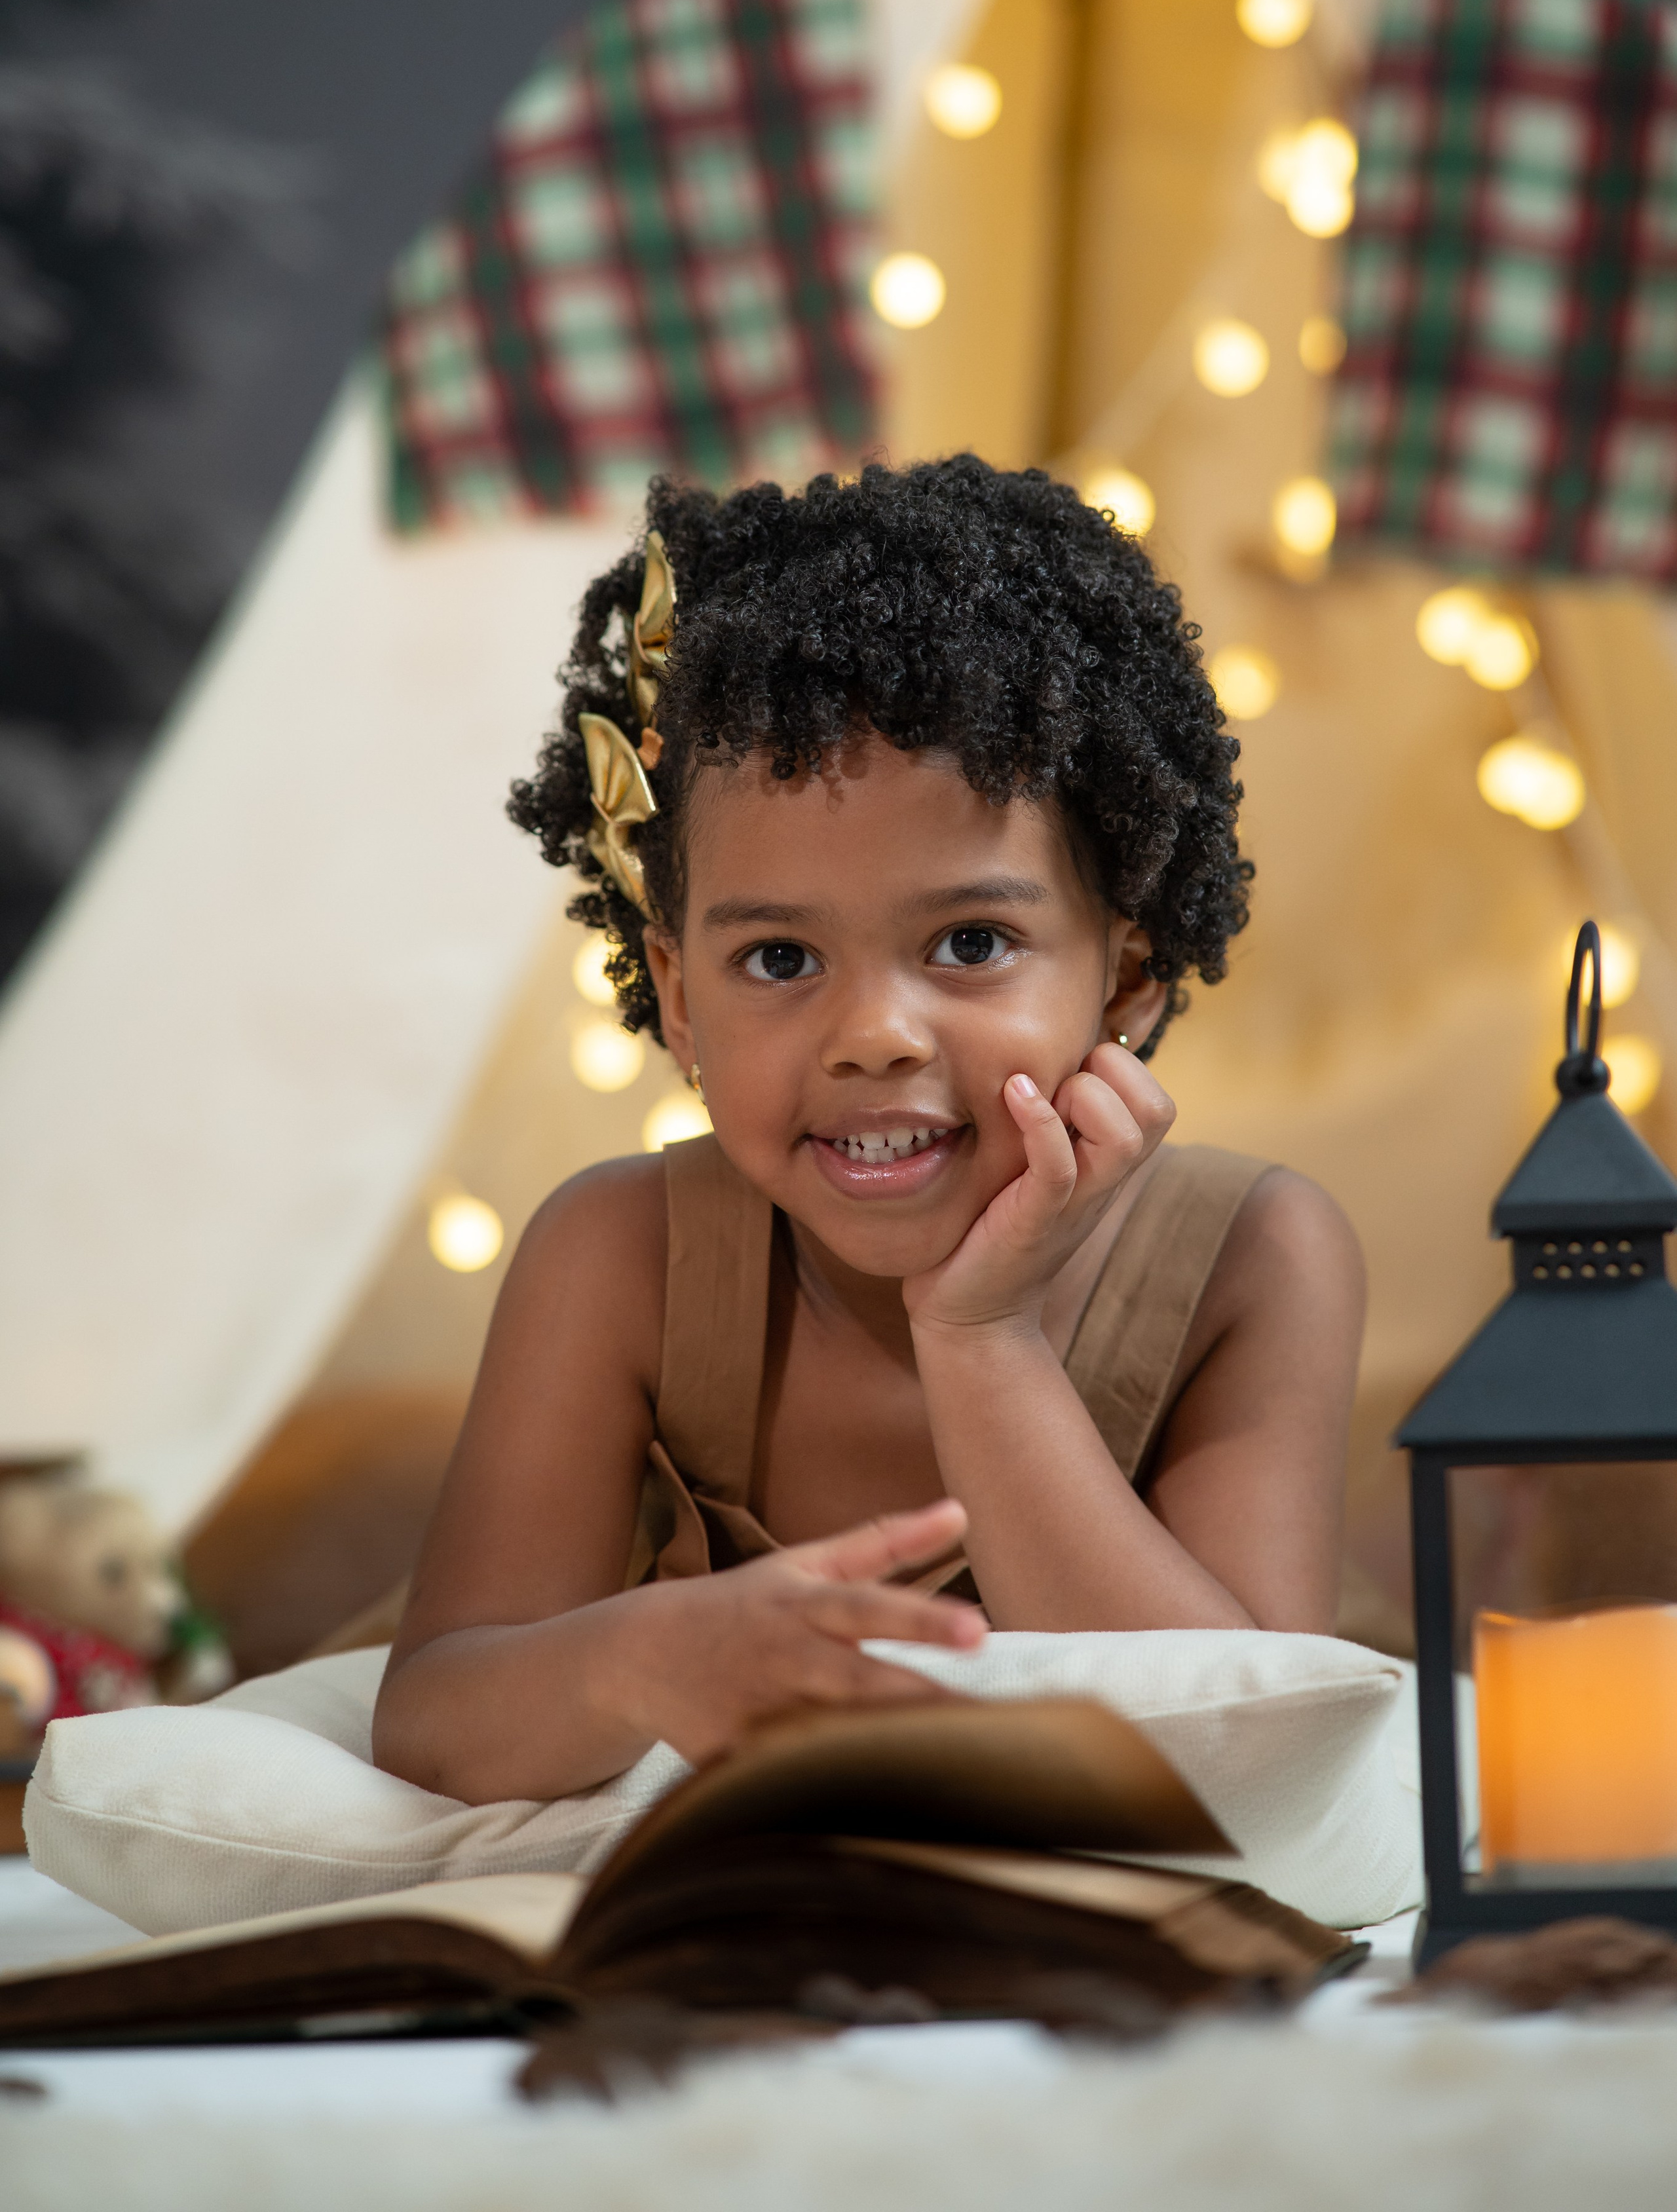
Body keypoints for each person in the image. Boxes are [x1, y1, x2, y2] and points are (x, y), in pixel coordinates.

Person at [372, 457, 1363, 1805]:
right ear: (675, 993)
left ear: (1125, 975)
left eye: (968, 942)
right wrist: (633, 1663)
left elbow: (1244, 1754)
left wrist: (981, 1337)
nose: (872, 1034)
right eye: (778, 959)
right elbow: (432, 1716)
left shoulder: (1256, 1257)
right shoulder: (612, 1258)